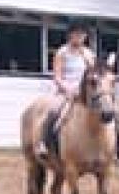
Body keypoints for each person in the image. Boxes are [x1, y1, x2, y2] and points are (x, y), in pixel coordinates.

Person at [36, 21, 96, 156]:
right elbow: (57, 77)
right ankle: (44, 142)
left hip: (85, 91)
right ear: (70, 35)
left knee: (104, 108)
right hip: (66, 90)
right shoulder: (62, 52)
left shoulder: (89, 54)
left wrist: (88, 60)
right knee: (54, 110)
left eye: (82, 34)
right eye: (77, 34)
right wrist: (68, 89)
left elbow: (95, 75)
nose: (80, 37)